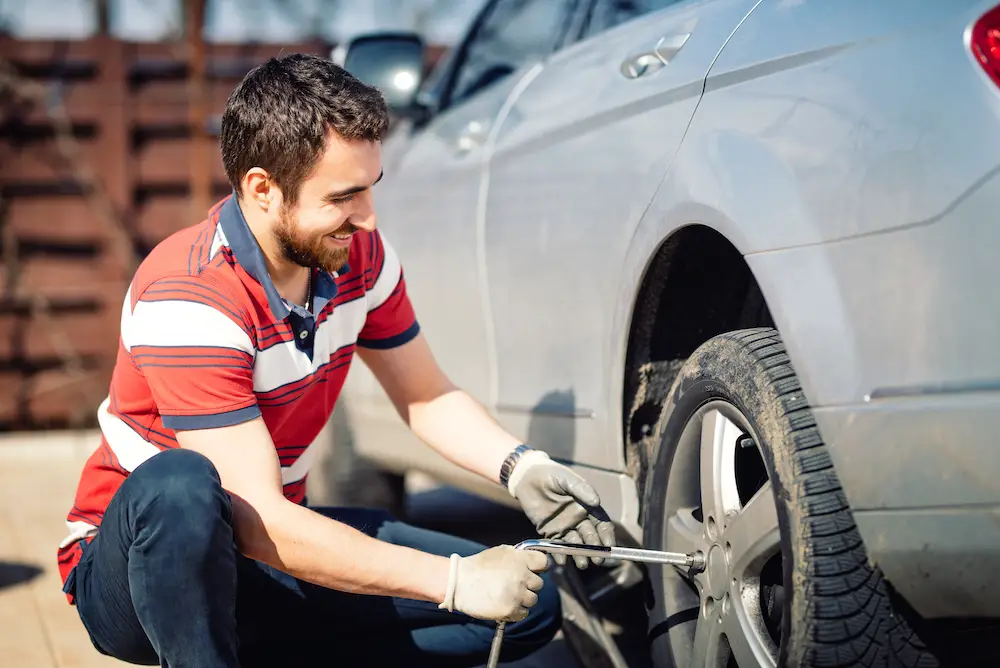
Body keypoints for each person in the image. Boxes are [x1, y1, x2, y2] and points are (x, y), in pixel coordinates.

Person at [56, 53, 616, 668]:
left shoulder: (360, 258)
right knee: (182, 487)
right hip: (140, 575)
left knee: (527, 610)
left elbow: (425, 396)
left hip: (268, 550)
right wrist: (453, 580)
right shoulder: (189, 296)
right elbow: (255, 516)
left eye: (370, 190)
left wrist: (521, 467)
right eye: (344, 197)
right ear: (262, 189)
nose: (368, 218)